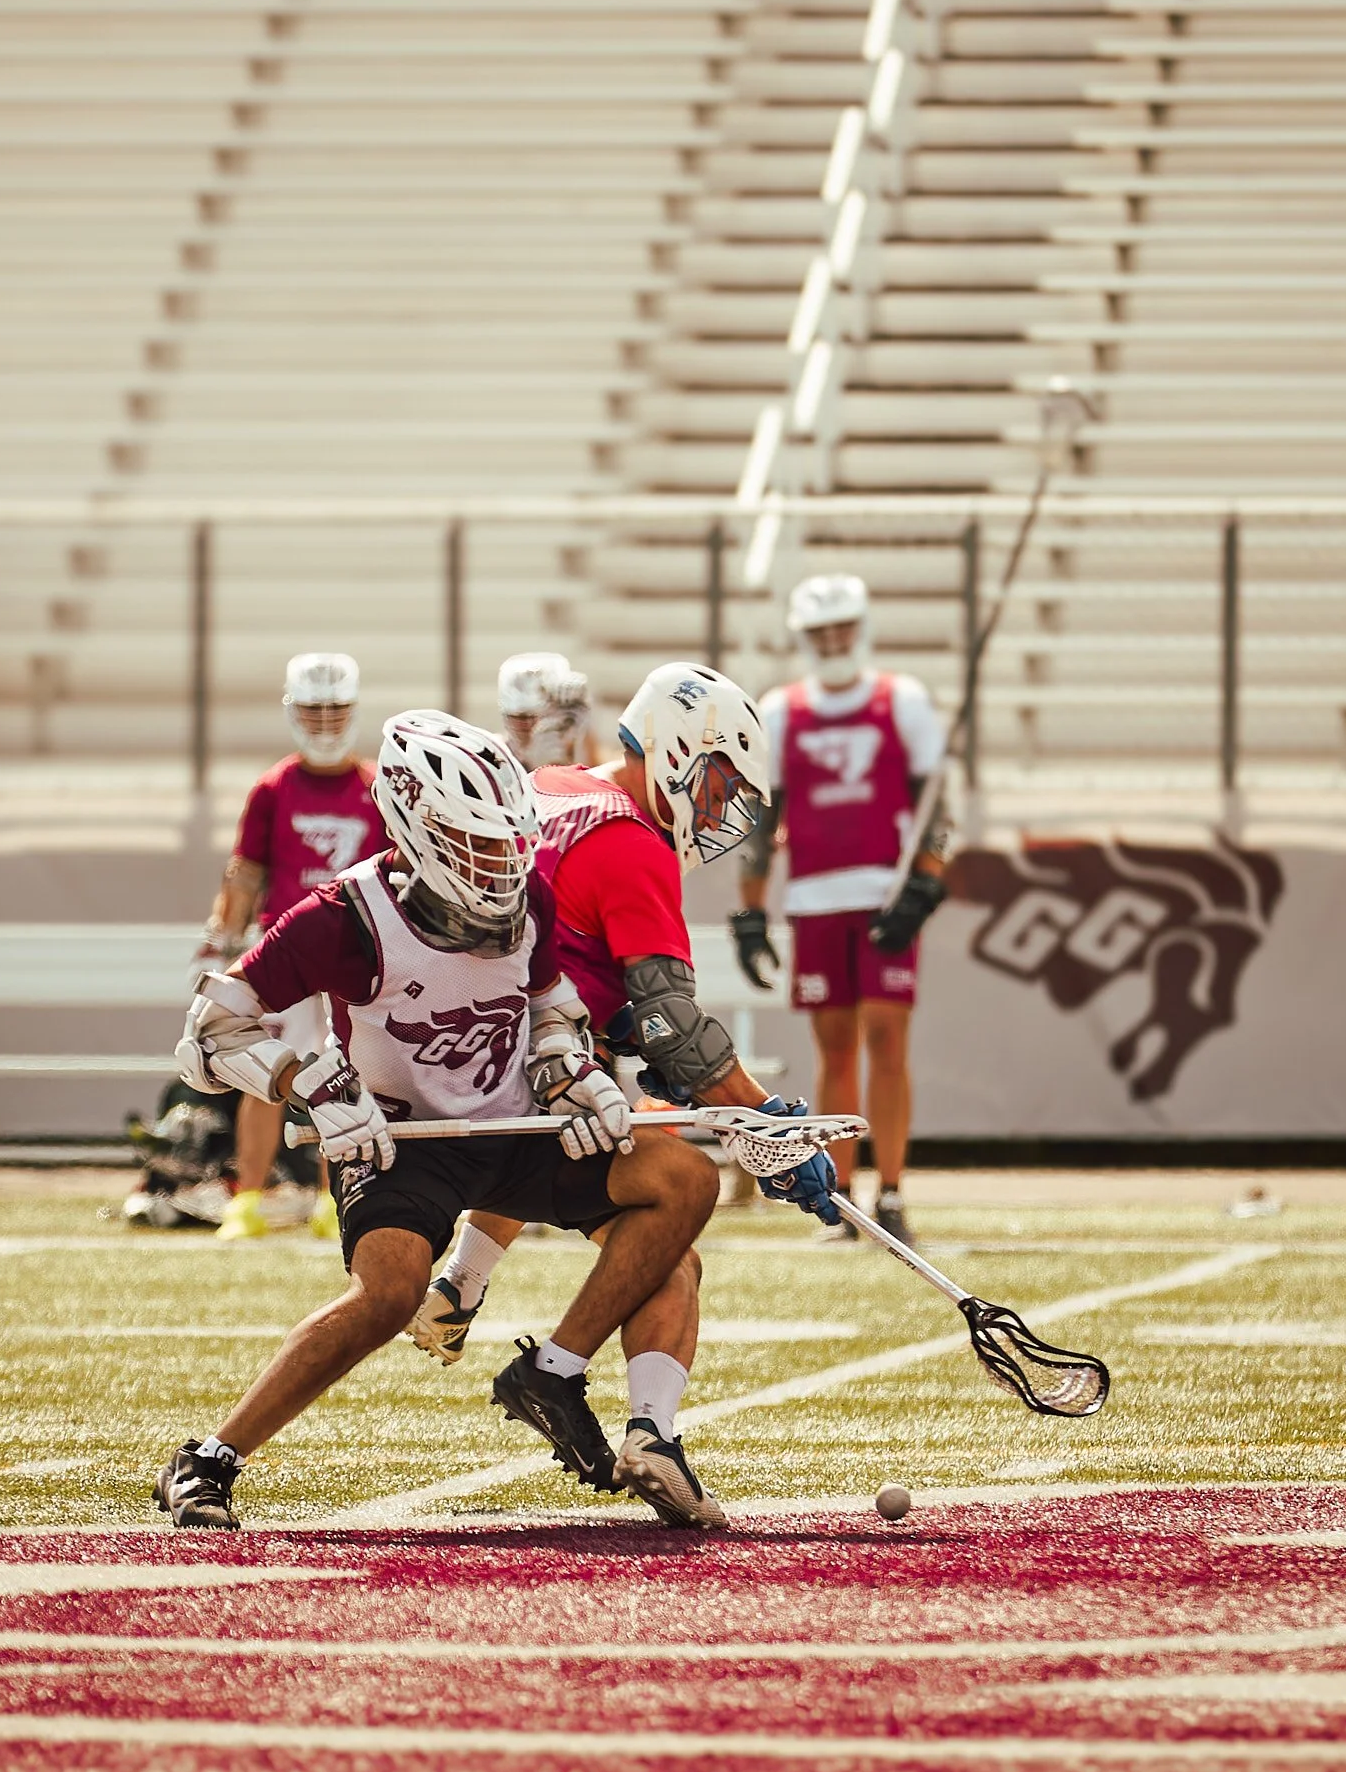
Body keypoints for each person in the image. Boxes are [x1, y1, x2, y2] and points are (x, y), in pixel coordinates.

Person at [154, 711, 724, 1533]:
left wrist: (575, 1073)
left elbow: (551, 1006)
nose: (503, 863)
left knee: (682, 1185)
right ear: (417, 829)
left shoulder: (525, 890)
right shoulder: (342, 917)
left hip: (512, 1127)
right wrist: (308, 1081)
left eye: (508, 841)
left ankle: (595, 1399)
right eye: (479, 843)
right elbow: (206, 1035)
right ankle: (209, 1457)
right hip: (398, 1140)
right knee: (389, 1294)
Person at [410, 663, 841, 1529]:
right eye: (718, 779)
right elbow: (673, 1027)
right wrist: (767, 1122)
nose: (723, 806)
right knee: (682, 1193)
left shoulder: (547, 788)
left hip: (466, 1072)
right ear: (680, 750)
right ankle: (563, 1376)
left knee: (665, 1243)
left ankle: (642, 1428)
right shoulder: (630, 842)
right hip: (538, 1090)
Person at [733, 575, 949, 1246]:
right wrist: (751, 912)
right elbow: (762, 822)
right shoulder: (780, 710)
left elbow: (936, 803)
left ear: (862, 628)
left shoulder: (901, 699)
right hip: (815, 898)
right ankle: (844, 1196)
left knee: (888, 1039)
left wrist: (925, 884)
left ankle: (891, 1190)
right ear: (804, 638)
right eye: (820, 632)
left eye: (842, 628)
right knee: (834, 1048)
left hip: (882, 892)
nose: (832, 642)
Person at [194, 652, 389, 1240]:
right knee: (263, 1073)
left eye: (335, 710)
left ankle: (339, 1199)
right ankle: (247, 1198)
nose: (325, 721)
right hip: (285, 951)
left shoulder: (378, 785)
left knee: (351, 1076)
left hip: (358, 947)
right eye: (313, 709)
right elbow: (245, 872)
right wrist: (221, 939)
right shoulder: (274, 788)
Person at [496, 651, 597, 769]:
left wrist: (584, 734)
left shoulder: (572, 745)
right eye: (519, 717)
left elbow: (597, 775)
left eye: (535, 717)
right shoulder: (497, 752)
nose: (527, 725)